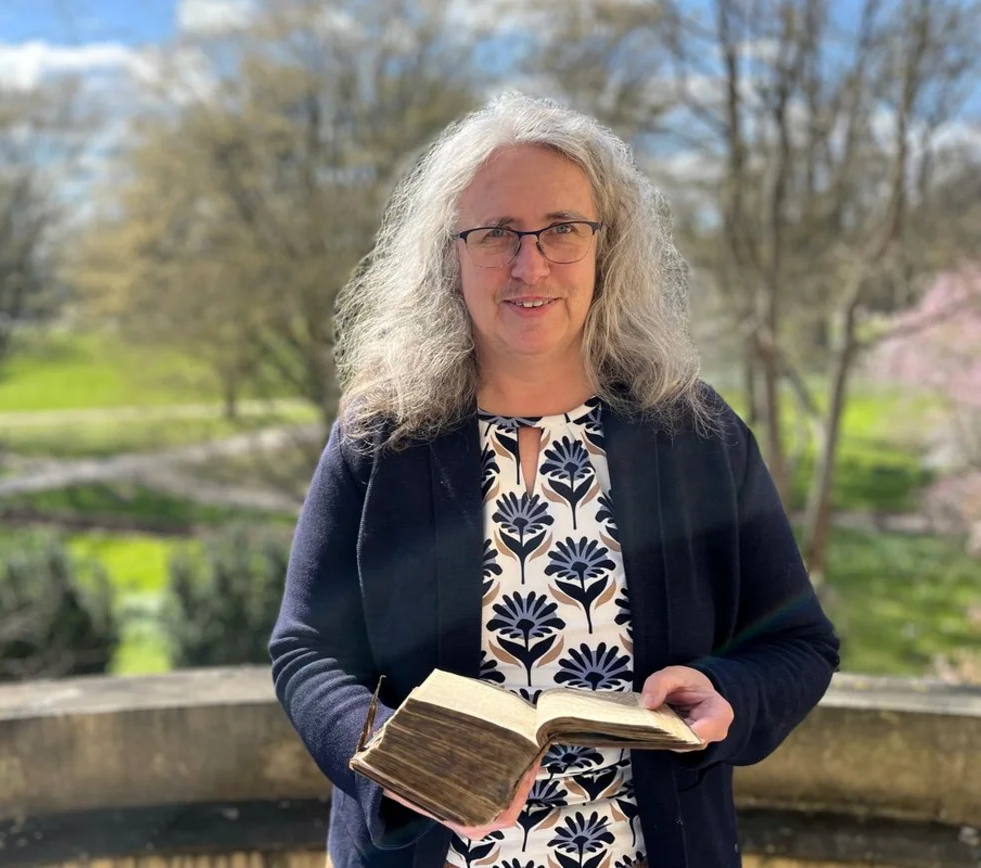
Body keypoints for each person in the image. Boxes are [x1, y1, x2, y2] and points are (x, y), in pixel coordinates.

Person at [268, 92, 840, 868]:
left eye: (561, 230)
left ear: (609, 247)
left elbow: (798, 644)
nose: (528, 263)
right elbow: (307, 652)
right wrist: (392, 764)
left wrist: (728, 695)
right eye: (496, 232)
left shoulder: (695, 434)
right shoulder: (381, 438)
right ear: (450, 252)